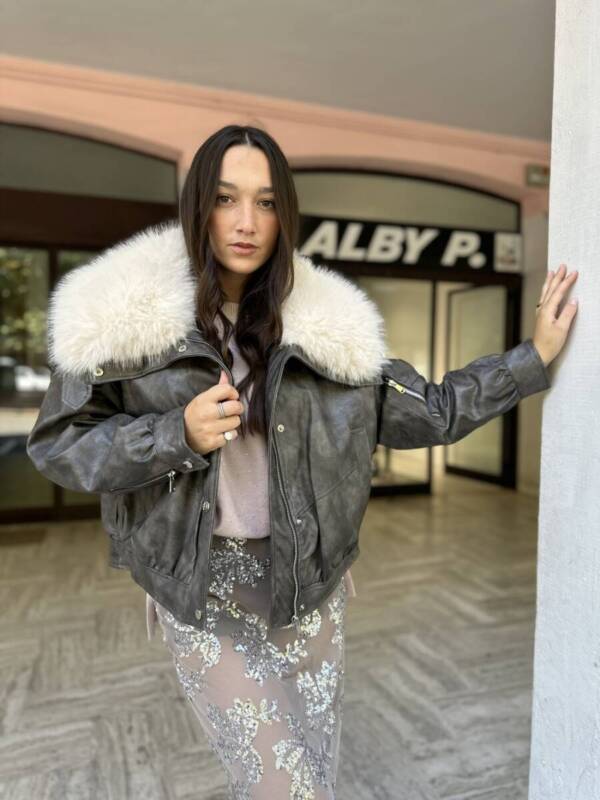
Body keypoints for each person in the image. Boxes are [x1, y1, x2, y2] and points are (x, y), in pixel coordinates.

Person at [26, 124, 578, 800]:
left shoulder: (326, 330)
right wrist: (174, 435)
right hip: (201, 591)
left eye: (265, 202)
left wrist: (533, 357)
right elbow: (60, 443)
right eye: (226, 198)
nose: (246, 222)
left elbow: (433, 410)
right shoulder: (125, 319)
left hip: (305, 585)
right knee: (285, 788)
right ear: (198, 206)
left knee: (315, 775)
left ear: (285, 214)